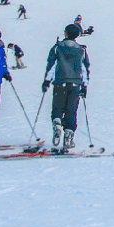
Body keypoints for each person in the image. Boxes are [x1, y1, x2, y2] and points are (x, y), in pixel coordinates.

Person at [42, 24, 89, 152]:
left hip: (60, 82)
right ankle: (68, 135)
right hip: (76, 84)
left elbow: (51, 65)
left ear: (66, 34)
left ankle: (57, 125)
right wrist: (84, 86)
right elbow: (85, 69)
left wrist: (46, 81)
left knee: (57, 108)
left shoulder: (57, 48)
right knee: (71, 110)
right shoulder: (81, 50)